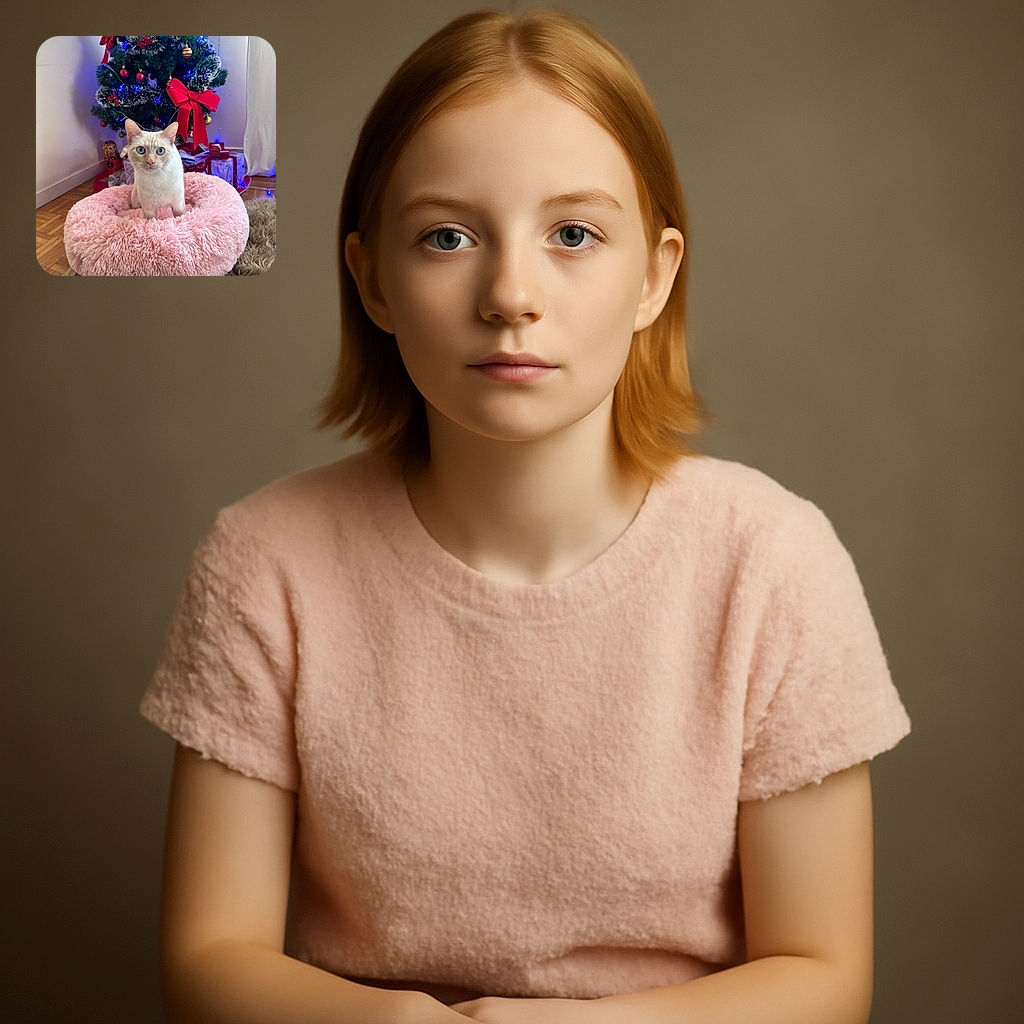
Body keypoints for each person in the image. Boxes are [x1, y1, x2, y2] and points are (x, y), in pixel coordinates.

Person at [141, 10, 910, 1024]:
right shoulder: (264, 560)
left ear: (654, 276)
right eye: (446, 236)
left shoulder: (772, 564)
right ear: (371, 278)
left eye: (574, 235)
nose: (510, 294)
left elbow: (825, 978)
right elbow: (208, 957)